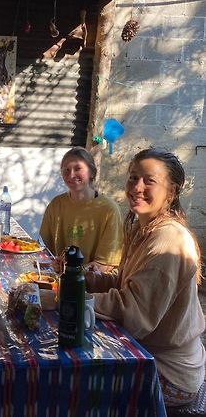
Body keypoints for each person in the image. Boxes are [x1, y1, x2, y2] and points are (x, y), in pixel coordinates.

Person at [85, 148, 205, 407]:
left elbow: (136, 314)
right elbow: (129, 282)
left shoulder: (169, 240)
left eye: (149, 180)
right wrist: (90, 280)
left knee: (80, 383)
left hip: (168, 372)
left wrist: (70, 298)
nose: (137, 187)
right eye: (132, 177)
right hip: (146, 353)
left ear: (171, 192)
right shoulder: (143, 227)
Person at [39, 147, 123, 272]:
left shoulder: (109, 210)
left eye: (78, 169)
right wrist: (53, 263)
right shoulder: (56, 204)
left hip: (93, 286)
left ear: (92, 173)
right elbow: (44, 250)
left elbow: (105, 264)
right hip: (59, 280)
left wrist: (70, 272)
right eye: (66, 170)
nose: (71, 175)